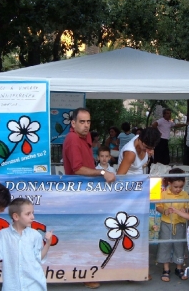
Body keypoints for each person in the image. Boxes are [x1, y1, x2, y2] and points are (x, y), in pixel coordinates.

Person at [62, 107, 115, 289]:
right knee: (83, 235)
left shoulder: (86, 138)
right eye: (82, 122)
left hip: (86, 193)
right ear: (73, 123)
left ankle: (87, 271)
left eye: (88, 122)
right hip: (78, 195)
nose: (86, 125)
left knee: (89, 233)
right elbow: (78, 169)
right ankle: (84, 274)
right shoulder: (72, 139)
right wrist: (102, 172)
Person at [0, 198, 53, 291]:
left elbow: (38, 257)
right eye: (28, 214)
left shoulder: (35, 235)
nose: (32, 217)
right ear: (16, 217)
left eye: (32, 213)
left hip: (34, 286)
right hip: (12, 286)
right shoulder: (1, 236)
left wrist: (48, 243)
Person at [156, 168, 189, 282]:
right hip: (166, 223)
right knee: (165, 245)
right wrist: (164, 211)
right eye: (176, 187)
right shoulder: (164, 194)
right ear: (169, 183)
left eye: (181, 186)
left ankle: (179, 268)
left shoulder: (185, 194)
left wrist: (185, 210)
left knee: (179, 245)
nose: (178, 189)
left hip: (180, 224)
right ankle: (166, 269)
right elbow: (158, 206)